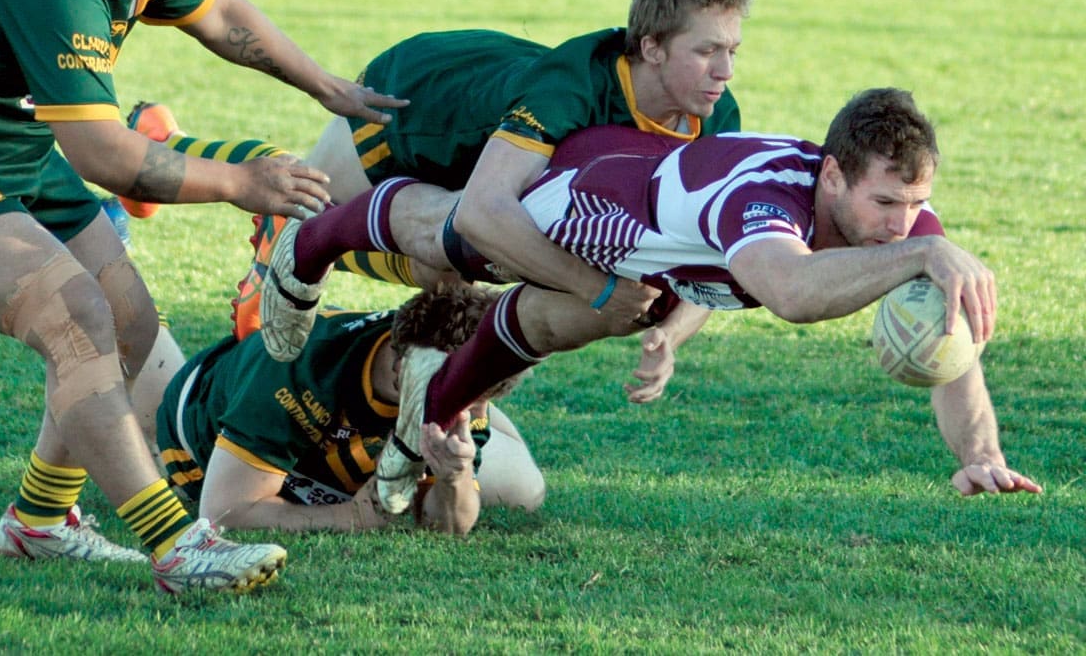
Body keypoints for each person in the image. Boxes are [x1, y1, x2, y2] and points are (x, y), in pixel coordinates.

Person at [0, 0, 405, 594]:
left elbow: (223, 16)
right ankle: (178, 547)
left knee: (126, 321)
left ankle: (39, 523)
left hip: (9, 147)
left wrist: (328, 88)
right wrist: (242, 183)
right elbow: (106, 159)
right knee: (77, 320)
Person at [369, 88, 1043, 513]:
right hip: (586, 203)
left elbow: (953, 343)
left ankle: (417, 428)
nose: (904, 224)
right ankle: (324, 219)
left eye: (918, 206)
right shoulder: (765, 193)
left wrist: (979, 456)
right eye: (887, 203)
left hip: (661, 274)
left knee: (549, 328)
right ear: (833, 176)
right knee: (444, 240)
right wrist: (921, 255)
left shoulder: (907, 229)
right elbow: (790, 292)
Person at [119, 0, 752, 362]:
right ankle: (210, 184)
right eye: (707, 51)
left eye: (733, 51)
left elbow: (713, 250)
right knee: (305, 198)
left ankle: (163, 145)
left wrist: (668, 333)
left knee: (444, 275)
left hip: (472, 146)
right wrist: (600, 289)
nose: (724, 72)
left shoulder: (713, 115)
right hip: (419, 106)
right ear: (651, 47)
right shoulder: (572, 89)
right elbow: (483, 213)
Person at [156, 285, 544, 533]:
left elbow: (446, 524)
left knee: (526, 492)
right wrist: (351, 517)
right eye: (463, 400)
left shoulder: (464, 397)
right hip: (198, 418)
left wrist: (455, 476)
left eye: (477, 403)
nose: (467, 412)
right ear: (400, 368)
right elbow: (225, 511)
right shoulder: (297, 369)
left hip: (350, 441)